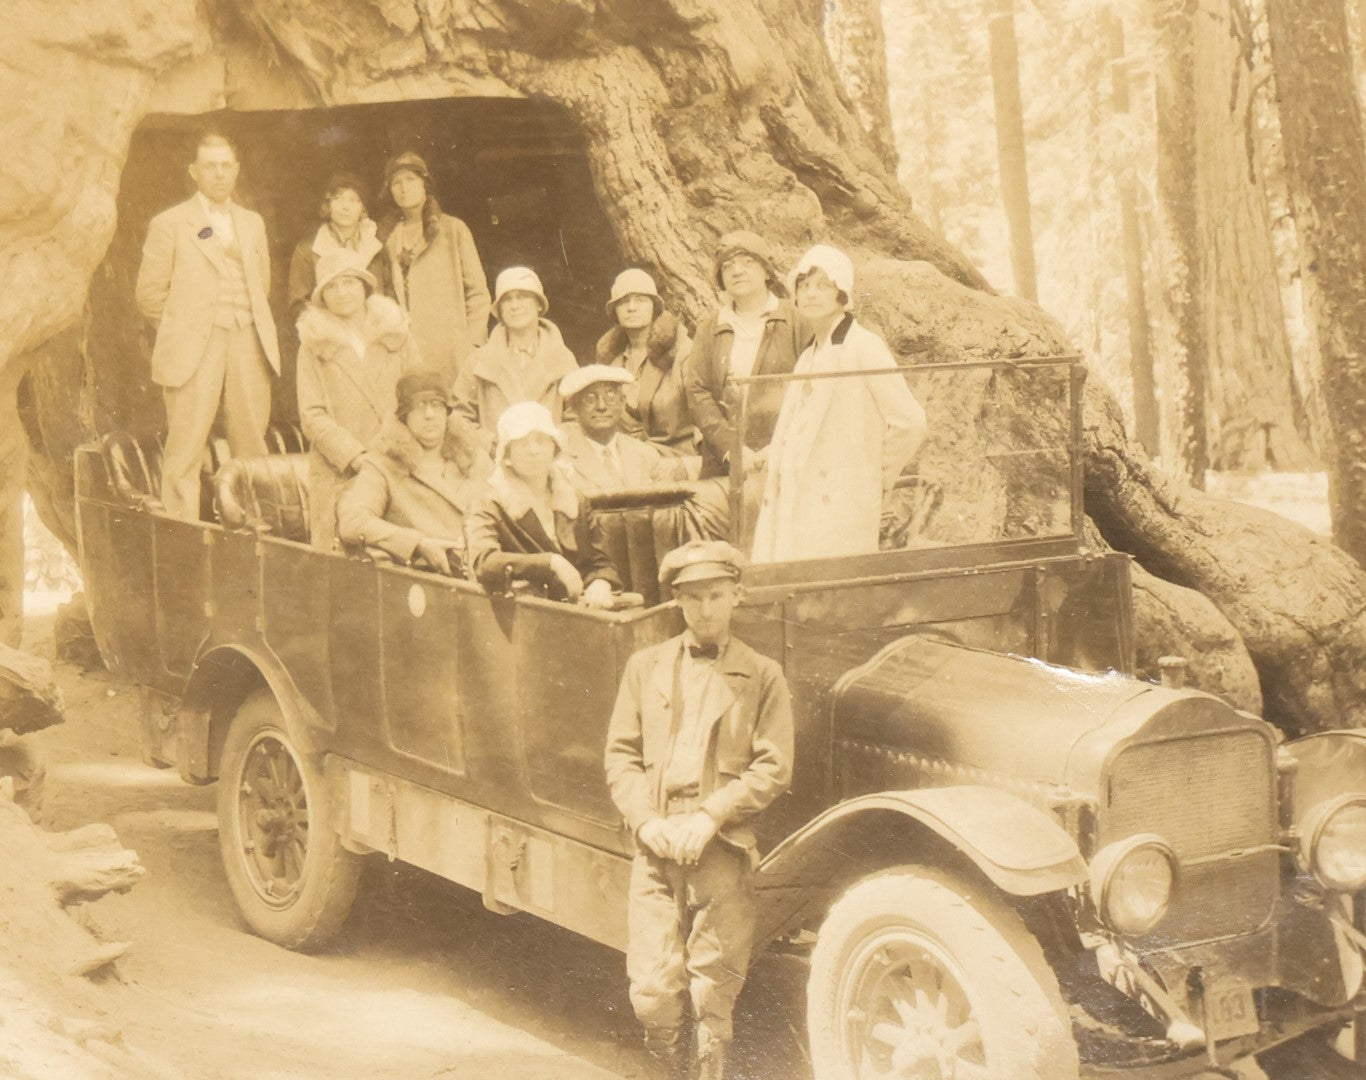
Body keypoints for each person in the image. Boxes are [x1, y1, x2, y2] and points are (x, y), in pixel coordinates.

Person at [603, 540, 793, 1080]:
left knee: (714, 989)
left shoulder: (762, 676)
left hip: (721, 849)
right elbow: (621, 755)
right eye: (693, 598)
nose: (705, 608)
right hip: (658, 843)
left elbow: (774, 766)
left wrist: (712, 816)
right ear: (678, 603)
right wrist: (647, 821)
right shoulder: (645, 668)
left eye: (716, 595)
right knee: (653, 993)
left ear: (737, 596)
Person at [134, 131, 281, 521]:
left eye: (225, 166)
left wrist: (241, 321)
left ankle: (257, 533)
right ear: (194, 172)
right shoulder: (171, 223)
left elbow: (260, 284)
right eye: (209, 166)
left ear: (236, 171)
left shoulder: (252, 223)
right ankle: (181, 536)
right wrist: (187, 324)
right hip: (194, 347)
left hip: (247, 339)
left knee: (252, 445)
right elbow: (149, 295)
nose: (218, 174)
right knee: (185, 449)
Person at [751, 245, 927, 563]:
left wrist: (873, 476)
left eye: (822, 285)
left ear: (842, 293)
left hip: (841, 506)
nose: (811, 294)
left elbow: (910, 422)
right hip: (798, 502)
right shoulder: (809, 354)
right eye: (804, 286)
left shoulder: (863, 346)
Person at [296, 250, 422, 550]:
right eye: (332, 287)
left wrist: (400, 449)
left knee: (403, 554)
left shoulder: (398, 335)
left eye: (349, 282)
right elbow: (311, 415)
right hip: (340, 470)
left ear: (364, 286)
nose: (342, 293)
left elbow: (418, 395)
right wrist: (355, 456)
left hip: (397, 463)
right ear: (322, 296)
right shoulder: (313, 346)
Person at [465, 401, 621, 607]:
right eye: (522, 443)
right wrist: (550, 563)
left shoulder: (575, 498)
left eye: (541, 440)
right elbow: (484, 563)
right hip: (525, 614)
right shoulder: (490, 501)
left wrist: (600, 583)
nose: (534, 451)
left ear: (554, 447)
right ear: (507, 453)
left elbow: (601, 562)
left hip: (582, 611)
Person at [336, 371, 491, 575]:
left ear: (447, 413)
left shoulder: (474, 456)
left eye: (436, 404)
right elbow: (352, 520)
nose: (429, 415)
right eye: (419, 406)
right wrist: (417, 543)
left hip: (486, 572)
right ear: (404, 416)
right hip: (429, 581)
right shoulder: (383, 465)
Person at [682, 231, 805, 480]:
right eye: (727, 266)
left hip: (790, 457)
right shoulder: (711, 326)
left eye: (748, 262)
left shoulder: (796, 318)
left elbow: (813, 386)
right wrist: (731, 446)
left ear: (767, 271)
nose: (737, 271)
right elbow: (696, 391)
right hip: (727, 464)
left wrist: (782, 444)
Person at [379, 151, 491, 385]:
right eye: (396, 183)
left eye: (411, 180)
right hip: (409, 349)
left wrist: (472, 344)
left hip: (452, 350)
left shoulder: (453, 229)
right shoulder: (387, 238)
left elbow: (478, 293)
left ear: (425, 184)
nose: (403, 188)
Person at [452, 266, 578, 452]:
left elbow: (578, 417)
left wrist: (553, 441)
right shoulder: (479, 361)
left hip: (548, 463)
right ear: (499, 310)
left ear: (539, 304)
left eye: (522, 296)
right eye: (507, 300)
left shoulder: (562, 358)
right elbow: (457, 416)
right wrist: (487, 442)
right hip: (495, 467)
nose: (515, 305)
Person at [596, 268, 696, 455]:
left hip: (676, 456)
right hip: (628, 458)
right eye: (623, 302)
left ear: (655, 307)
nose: (631, 307)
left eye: (640, 300)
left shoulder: (682, 352)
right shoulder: (610, 363)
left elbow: (704, 410)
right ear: (615, 311)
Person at [559, 365, 696, 491]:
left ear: (623, 402)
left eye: (610, 396)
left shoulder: (644, 455)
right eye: (590, 399)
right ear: (575, 408)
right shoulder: (562, 453)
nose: (601, 406)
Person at [287, 172, 385, 321]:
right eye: (338, 199)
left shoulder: (375, 246)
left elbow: (387, 296)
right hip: (329, 336)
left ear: (363, 209)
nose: (345, 207)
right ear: (327, 205)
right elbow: (298, 304)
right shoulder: (307, 249)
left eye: (353, 200)